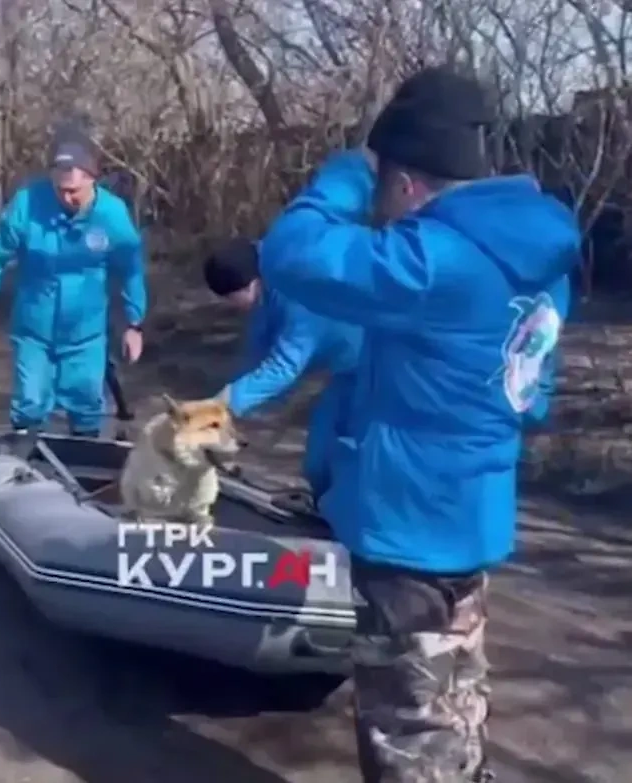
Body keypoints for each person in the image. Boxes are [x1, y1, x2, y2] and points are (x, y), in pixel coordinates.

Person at [258, 65, 579, 782]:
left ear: (404, 179)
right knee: (455, 698)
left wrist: (342, 178)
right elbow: (535, 394)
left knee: (402, 724)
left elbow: (287, 256)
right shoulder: (539, 260)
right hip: (473, 519)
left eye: (381, 186)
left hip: (403, 532)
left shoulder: (431, 259)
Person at [0, 131, 147, 437]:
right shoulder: (29, 203)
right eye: (60, 190)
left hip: (86, 335)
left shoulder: (112, 214)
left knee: (86, 404)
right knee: (31, 403)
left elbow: (131, 269)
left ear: (92, 179)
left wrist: (134, 324)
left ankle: (83, 464)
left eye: (74, 191)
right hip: (34, 330)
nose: (66, 198)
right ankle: (25, 461)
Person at [204, 236, 363, 500]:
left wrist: (228, 402)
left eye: (232, 298)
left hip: (379, 366)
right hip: (345, 373)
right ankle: (326, 513)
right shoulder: (267, 287)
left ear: (252, 283)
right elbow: (256, 352)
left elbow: (285, 364)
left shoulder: (299, 292)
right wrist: (230, 405)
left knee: (355, 458)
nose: (230, 306)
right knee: (318, 462)